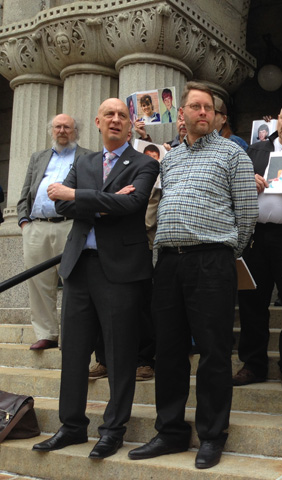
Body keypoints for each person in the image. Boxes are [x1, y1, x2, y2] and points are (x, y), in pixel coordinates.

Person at [128, 82, 257, 470]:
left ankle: (212, 435)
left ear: (216, 116)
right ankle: (169, 431)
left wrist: (223, 254)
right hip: (168, 264)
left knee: (214, 353)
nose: (202, 112)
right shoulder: (169, 159)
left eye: (208, 107)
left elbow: (246, 215)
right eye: (195, 107)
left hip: (211, 263)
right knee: (168, 351)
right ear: (181, 114)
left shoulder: (233, 155)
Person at [32, 99, 159, 459]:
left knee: (120, 355)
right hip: (79, 268)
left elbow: (132, 206)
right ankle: (71, 427)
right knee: (73, 353)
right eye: (110, 115)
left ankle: (112, 430)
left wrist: (78, 196)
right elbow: (61, 206)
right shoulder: (83, 162)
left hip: (120, 271)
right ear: (98, 122)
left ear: (131, 123)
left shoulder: (145, 164)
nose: (116, 120)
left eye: (122, 115)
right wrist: (103, 200)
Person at [234, 99, 282, 390]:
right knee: (253, 301)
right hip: (256, 236)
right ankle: (253, 364)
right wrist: (246, 184)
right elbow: (234, 192)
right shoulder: (254, 151)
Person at [17, 114, 91, 350]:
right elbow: (25, 192)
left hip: (70, 225)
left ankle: (74, 334)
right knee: (38, 283)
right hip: (36, 227)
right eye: (57, 127)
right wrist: (24, 223)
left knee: (75, 281)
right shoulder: (38, 157)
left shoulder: (88, 157)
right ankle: (47, 333)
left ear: (76, 131)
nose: (62, 131)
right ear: (51, 130)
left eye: (67, 127)